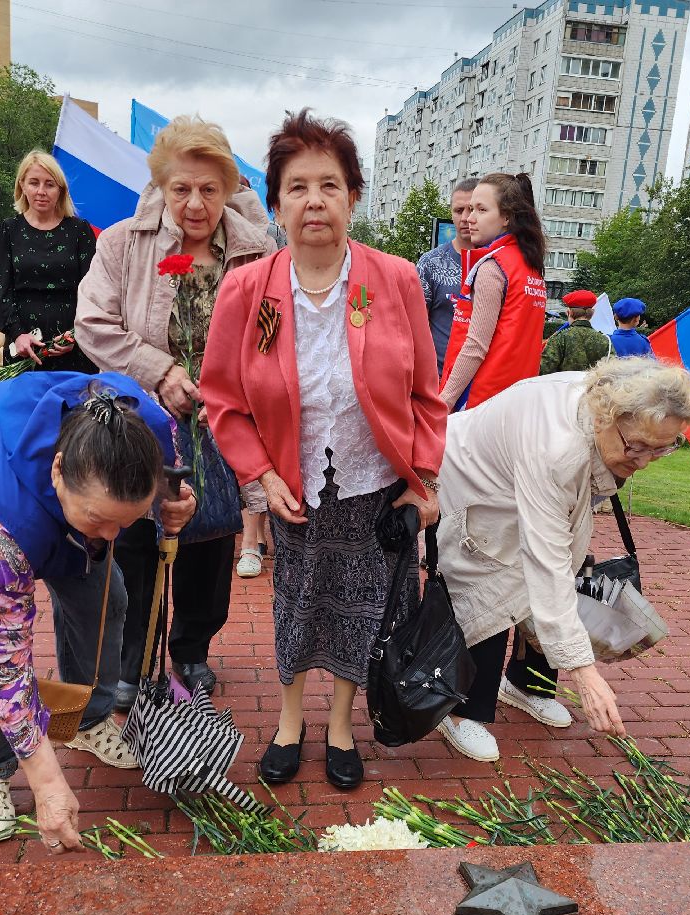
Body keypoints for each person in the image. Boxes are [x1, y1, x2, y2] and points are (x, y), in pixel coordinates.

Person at [202, 109, 446, 791]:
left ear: (353, 198)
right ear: (275, 203)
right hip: (293, 487)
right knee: (297, 603)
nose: (315, 200)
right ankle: (288, 721)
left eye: (330, 185)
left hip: (374, 484)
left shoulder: (394, 279)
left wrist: (421, 479)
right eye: (298, 186)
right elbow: (223, 399)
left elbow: (427, 395)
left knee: (361, 608)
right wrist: (259, 473)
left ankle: (340, 725)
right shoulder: (249, 289)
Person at [0, 371, 197, 845]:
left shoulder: (145, 428)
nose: (111, 536)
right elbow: (6, 664)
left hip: (44, 504)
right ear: (58, 469)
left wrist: (172, 508)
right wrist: (46, 781)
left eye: (121, 522)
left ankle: (88, 720)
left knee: (106, 601)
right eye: (99, 519)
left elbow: (167, 486)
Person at [77, 116, 277, 704]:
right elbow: (92, 324)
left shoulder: (256, 251)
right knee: (136, 541)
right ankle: (135, 659)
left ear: (229, 189)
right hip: (140, 417)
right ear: (161, 186)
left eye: (209, 189)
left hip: (219, 420)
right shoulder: (121, 242)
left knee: (210, 539)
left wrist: (235, 386)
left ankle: (191, 651)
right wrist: (159, 370)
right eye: (181, 189)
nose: (195, 203)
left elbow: (273, 333)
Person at [434, 358, 690, 761]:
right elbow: (546, 564)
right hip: (475, 483)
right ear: (605, 418)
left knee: (564, 573)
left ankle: (527, 685)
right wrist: (585, 672)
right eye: (638, 447)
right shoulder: (556, 447)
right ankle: (460, 710)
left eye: (662, 448)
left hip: (527, 477)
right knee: (493, 582)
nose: (646, 461)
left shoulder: (609, 404)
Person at [437, 173, 548, 413]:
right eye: (468, 209)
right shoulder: (531, 267)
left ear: (506, 217)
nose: (469, 218)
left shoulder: (493, 267)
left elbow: (476, 345)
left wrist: (444, 400)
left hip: (481, 402)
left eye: (481, 210)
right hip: (516, 401)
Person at [0, 151, 97, 374]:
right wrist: (17, 333)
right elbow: (1, 289)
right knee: (27, 408)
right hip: (24, 348)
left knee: (75, 408)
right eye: (34, 183)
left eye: (49, 184)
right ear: (22, 185)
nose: (41, 191)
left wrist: (76, 335)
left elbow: (94, 289)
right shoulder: (9, 230)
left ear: (60, 189)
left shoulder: (80, 231)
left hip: (75, 346)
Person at [416, 177, 477, 374]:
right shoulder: (430, 263)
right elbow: (416, 328)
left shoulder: (499, 263)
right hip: (438, 380)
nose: (465, 218)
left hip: (483, 383)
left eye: (473, 209)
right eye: (459, 211)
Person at [541, 289, 608, 374]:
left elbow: (544, 369)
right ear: (592, 313)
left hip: (561, 386)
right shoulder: (605, 340)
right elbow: (610, 370)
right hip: (591, 386)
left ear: (569, 312)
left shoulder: (559, 338)